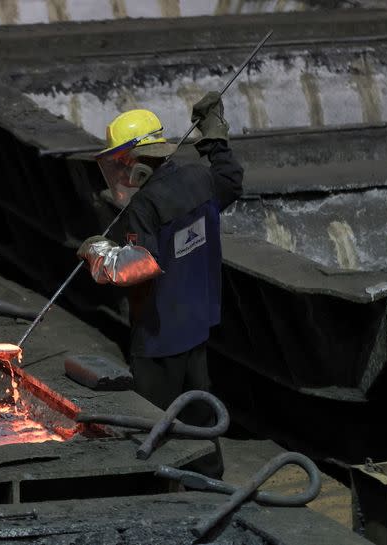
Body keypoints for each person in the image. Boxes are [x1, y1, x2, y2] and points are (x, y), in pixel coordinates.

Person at [77, 92, 243, 478]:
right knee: (199, 410)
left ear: (138, 164)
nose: (120, 171)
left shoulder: (145, 207)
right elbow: (231, 180)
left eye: (122, 162)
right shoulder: (199, 178)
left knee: (151, 418)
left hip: (158, 332)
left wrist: (97, 252)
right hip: (198, 320)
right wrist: (215, 138)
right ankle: (208, 480)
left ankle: (153, 486)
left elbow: (138, 267)